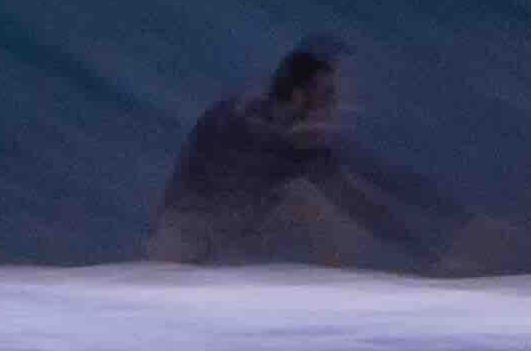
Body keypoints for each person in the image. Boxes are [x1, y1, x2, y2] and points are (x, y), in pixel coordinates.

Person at [147, 38, 456, 265]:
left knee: (321, 211)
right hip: (187, 229)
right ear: (297, 95)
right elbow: (244, 159)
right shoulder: (236, 119)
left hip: (240, 235)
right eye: (327, 94)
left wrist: (423, 251)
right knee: (306, 203)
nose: (334, 104)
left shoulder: (300, 142)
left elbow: (359, 202)